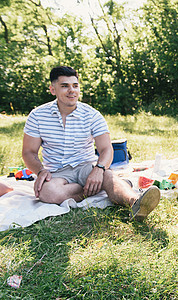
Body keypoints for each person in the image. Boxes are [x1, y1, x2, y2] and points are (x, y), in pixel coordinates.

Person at [22, 66, 160, 221]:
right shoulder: (37, 116)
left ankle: (135, 203)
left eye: (75, 85)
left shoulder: (92, 115)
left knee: (107, 176)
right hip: (56, 172)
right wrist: (40, 170)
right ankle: (103, 187)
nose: (72, 90)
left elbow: (106, 148)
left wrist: (99, 169)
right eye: (65, 86)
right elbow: (28, 152)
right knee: (46, 193)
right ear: (53, 89)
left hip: (86, 167)